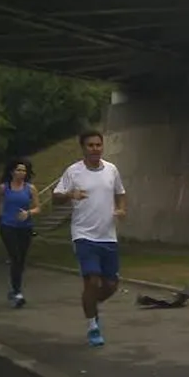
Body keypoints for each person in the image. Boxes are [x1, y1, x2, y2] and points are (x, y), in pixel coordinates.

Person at [52, 131, 126, 347]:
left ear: (102, 147)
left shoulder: (111, 169)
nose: (95, 148)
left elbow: (120, 192)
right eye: (90, 145)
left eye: (98, 145)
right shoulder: (73, 172)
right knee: (92, 280)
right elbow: (55, 198)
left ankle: (89, 302)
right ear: (83, 148)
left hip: (108, 236)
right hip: (83, 235)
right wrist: (69, 195)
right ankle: (93, 324)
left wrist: (121, 208)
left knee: (111, 285)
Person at [0, 158, 40, 308]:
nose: (21, 173)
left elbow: (38, 207)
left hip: (25, 227)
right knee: (15, 257)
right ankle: (18, 292)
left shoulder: (30, 189)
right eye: (18, 170)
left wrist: (29, 213)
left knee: (21, 260)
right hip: (7, 226)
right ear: (12, 172)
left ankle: (14, 289)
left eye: (24, 170)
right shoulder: (4, 188)